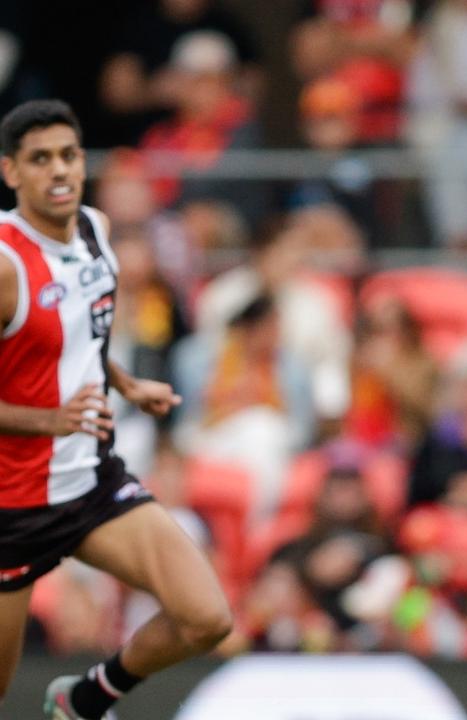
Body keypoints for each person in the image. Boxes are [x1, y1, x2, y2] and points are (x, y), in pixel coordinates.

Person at [0, 100, 231, 719]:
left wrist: (126, 386)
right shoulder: (5, 265)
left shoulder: (98, 230)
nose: (59, 170)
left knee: (207, 619)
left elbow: (83, 338)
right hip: (11, 505)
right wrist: (50, 420)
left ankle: (82, 701)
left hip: (90, 483)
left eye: (69, 155)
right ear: (10, 172)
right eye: (40, 158)